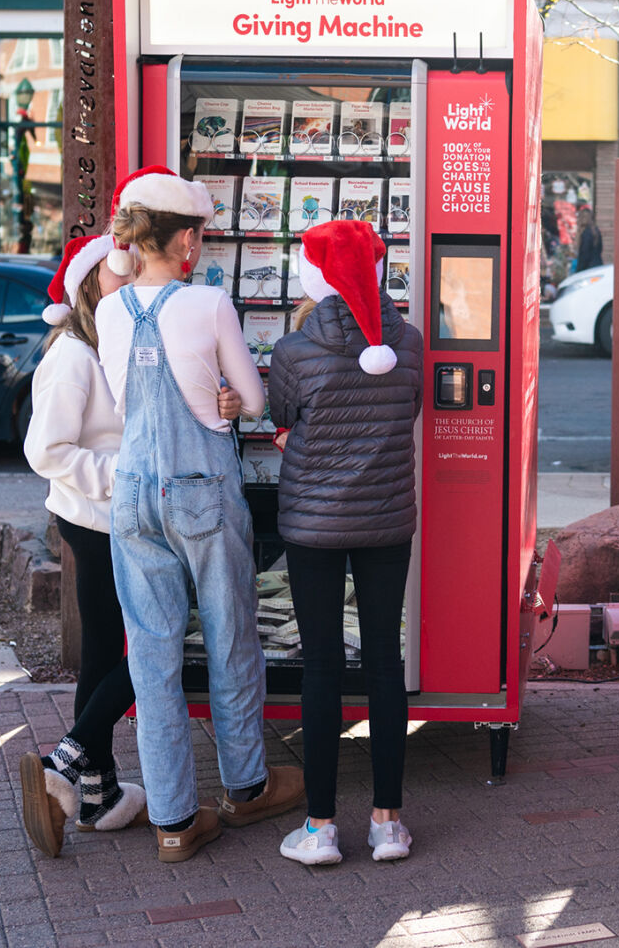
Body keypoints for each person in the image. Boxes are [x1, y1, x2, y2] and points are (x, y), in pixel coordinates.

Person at [94, 166, 300, 863]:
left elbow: (122, 405)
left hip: (132, 494)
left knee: (150, 655)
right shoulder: (208, 305)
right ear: (184, 239)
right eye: (199, 234)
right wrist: (227, 399)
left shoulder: (110, 309)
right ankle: (245, 786)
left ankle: (175, 819)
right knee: (230, 635)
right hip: (202, 490)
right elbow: (253, 398)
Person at [18, 231, 238, 857]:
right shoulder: (73, 356)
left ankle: (96, 790)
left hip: (128, 517)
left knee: (106, 654)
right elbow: (46, 451)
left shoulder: (121, 339)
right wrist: (127, 478)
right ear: (92, 284)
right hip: (99, 521)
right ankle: (66, 765)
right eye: (121, 272)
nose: (134, 279)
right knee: (153, 643)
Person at [269, 220, 424, 867]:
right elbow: (408, 409)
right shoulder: (410, 342)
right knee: (385, 661)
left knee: (322, 666)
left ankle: (320, 828)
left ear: (315, 278)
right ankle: (388, 823)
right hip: (386, 520)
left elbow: (282, 420)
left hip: (312, 525)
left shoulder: (293, 351)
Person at [573, 206, 603, 272]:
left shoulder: (586, 233)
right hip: (597, 266)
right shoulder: (596, 231)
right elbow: (600, 249)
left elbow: (585, 255)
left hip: (587, 269)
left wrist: (578, 271)